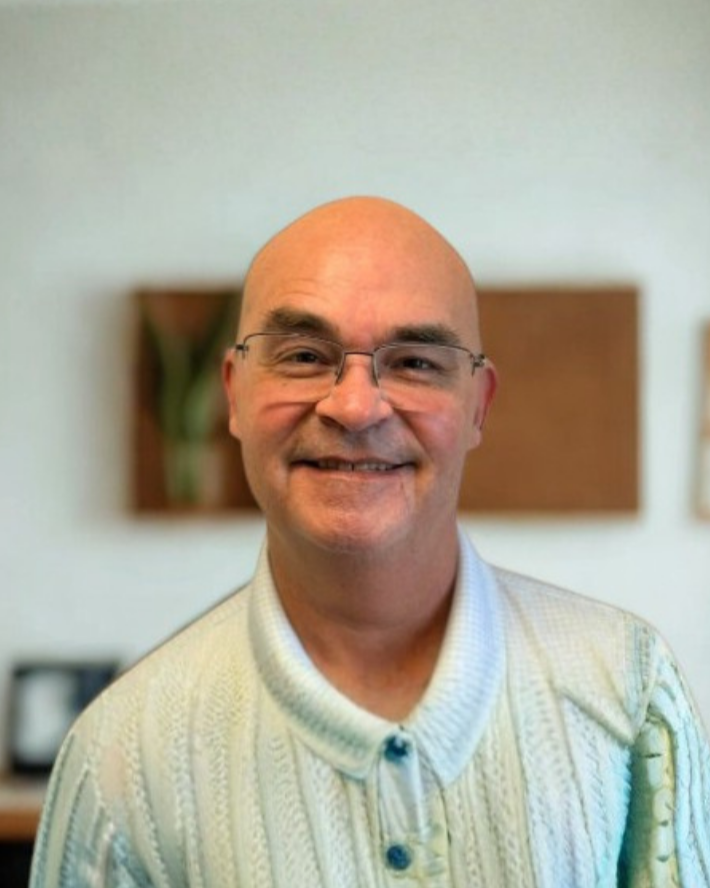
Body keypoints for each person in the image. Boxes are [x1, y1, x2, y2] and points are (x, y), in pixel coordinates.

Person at [31, 197, 709, 887]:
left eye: (414, 362)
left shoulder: (627, 693)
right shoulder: (121, 753)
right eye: (303, 355)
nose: (355, 407)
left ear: (478, 405)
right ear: (233, 396)